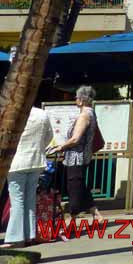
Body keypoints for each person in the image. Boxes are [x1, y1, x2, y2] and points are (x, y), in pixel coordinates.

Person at [49, 85, 104, 223]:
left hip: (76, 157)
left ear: (82, 100)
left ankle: (72, 217)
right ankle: (96, 213)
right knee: (80, 185)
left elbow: (75, 138)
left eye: (77, 97)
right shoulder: (91, 113)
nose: (75, 99)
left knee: (74, 187)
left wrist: (60, 147)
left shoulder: (84, 115)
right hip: (82, 155)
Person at [1, 104, 53, 248]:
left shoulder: (12, 113)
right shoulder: (42, 114)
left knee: (17, 200)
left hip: (16, 162)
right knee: (30, 199)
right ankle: (30, 234)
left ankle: (15, 237)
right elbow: (49, 136)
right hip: (36, 160)